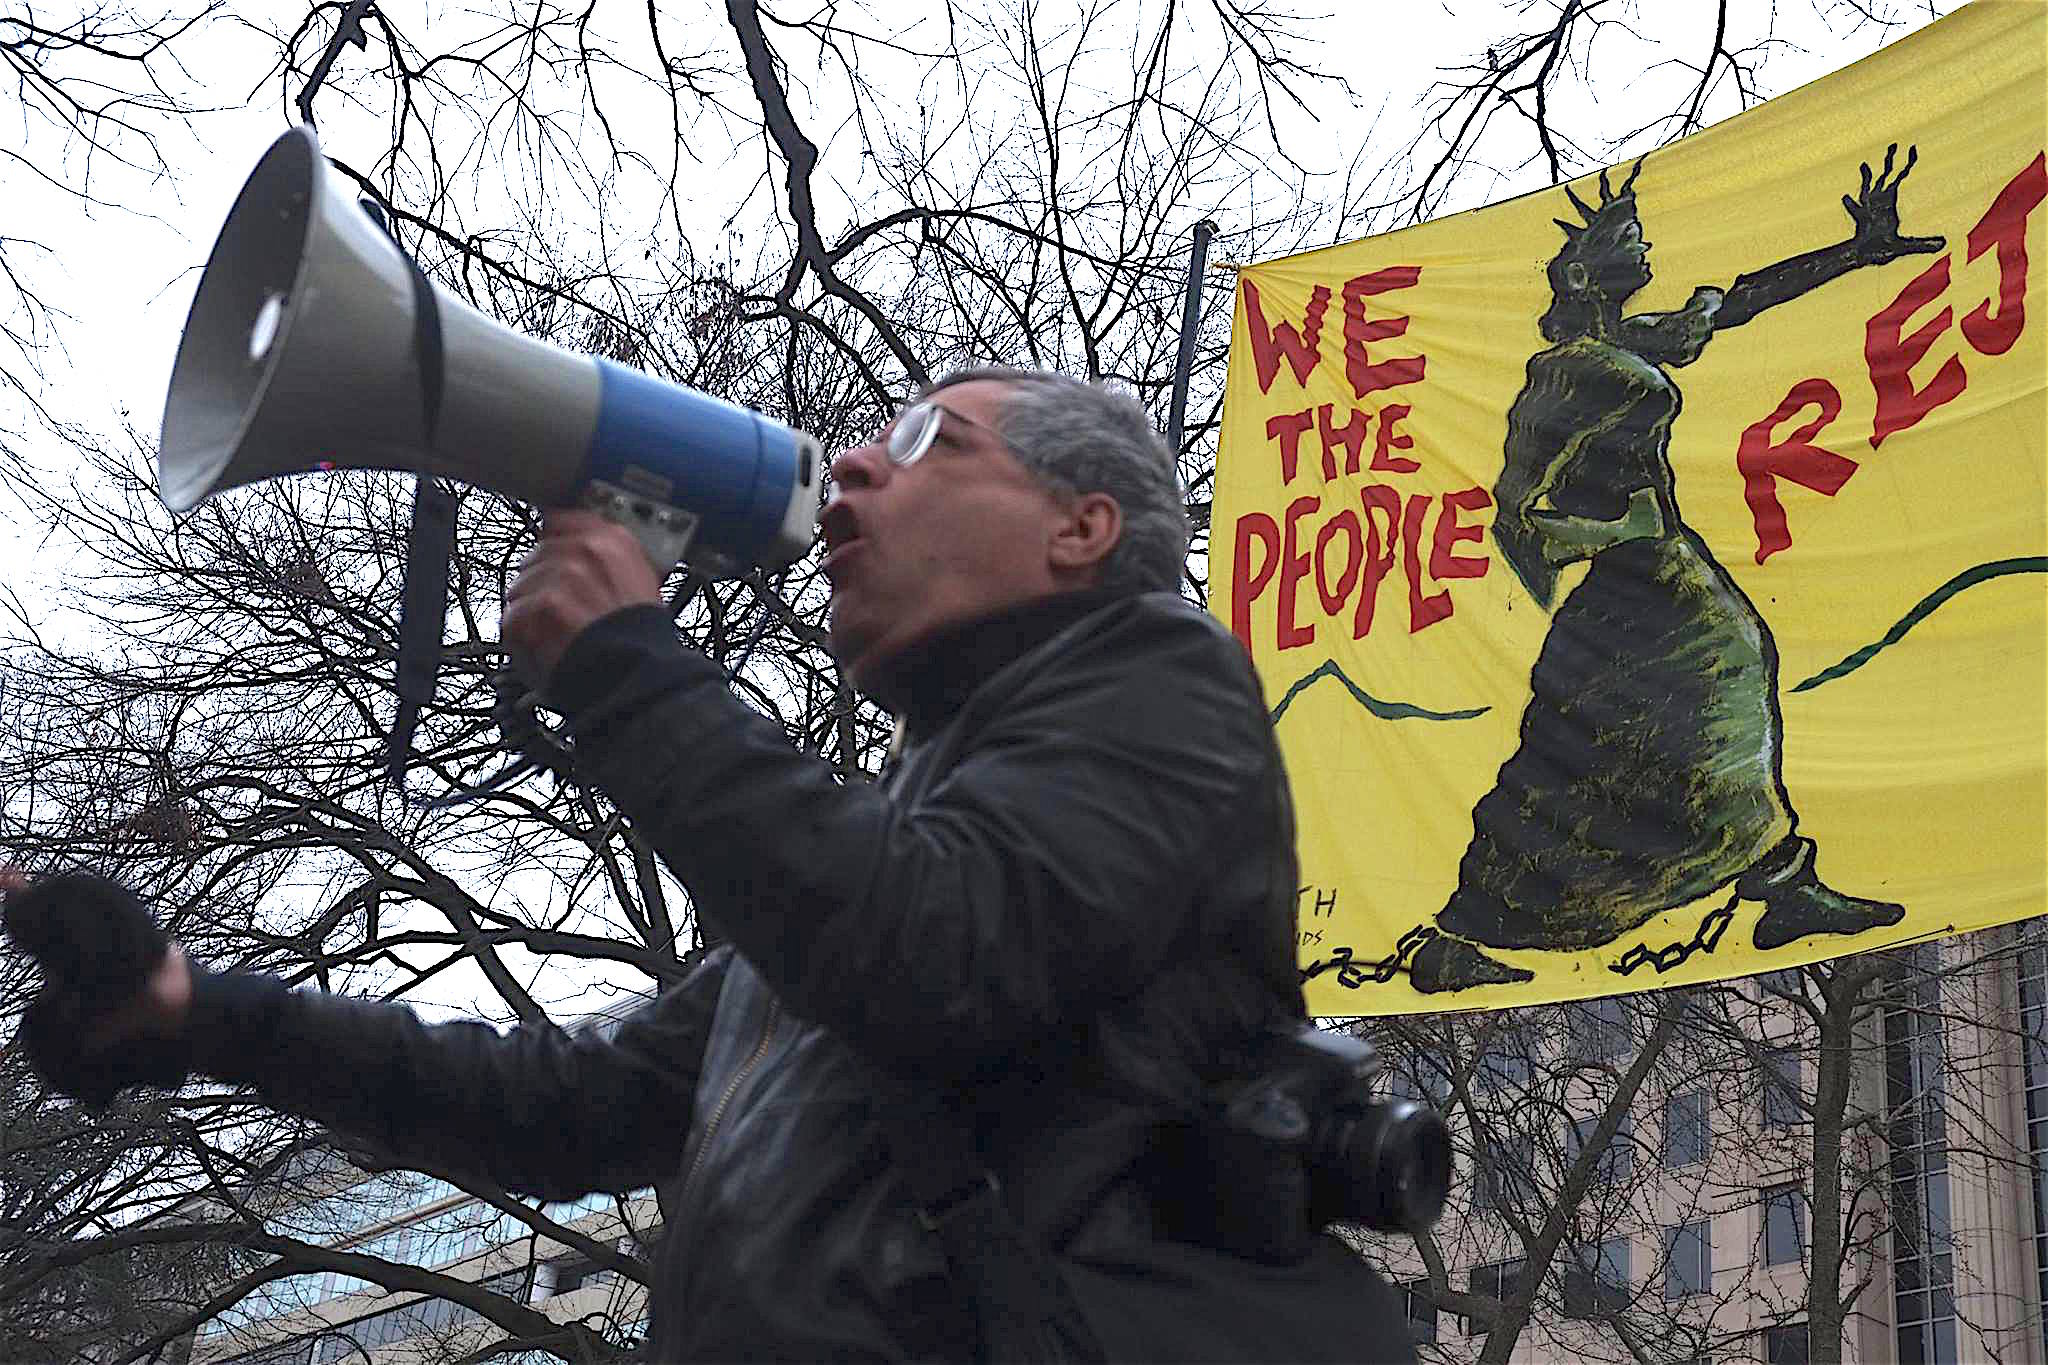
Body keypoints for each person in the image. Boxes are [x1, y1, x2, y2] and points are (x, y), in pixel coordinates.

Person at [7, 368, 1417, 1362]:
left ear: (1081, 529)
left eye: (931, 438)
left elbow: (935, 954)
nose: (853, 463)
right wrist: (201, 1008)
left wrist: (626, 667)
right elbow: (563, 1105)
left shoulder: (1163, 683)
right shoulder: (866, 873)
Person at [1408, 153, 1933, 993]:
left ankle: (1780, 882)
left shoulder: (1631, 343)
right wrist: (1619, 528)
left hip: (1660, 570)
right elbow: (1519, 511)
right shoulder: (1569, 372)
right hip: (1632, 582)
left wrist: (1853, 251)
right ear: (1586, 270)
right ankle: (1464, 933)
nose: (1648, 250)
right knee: (1621, 740)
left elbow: (1739, 298)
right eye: (1632, 239)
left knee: (1679, 714)